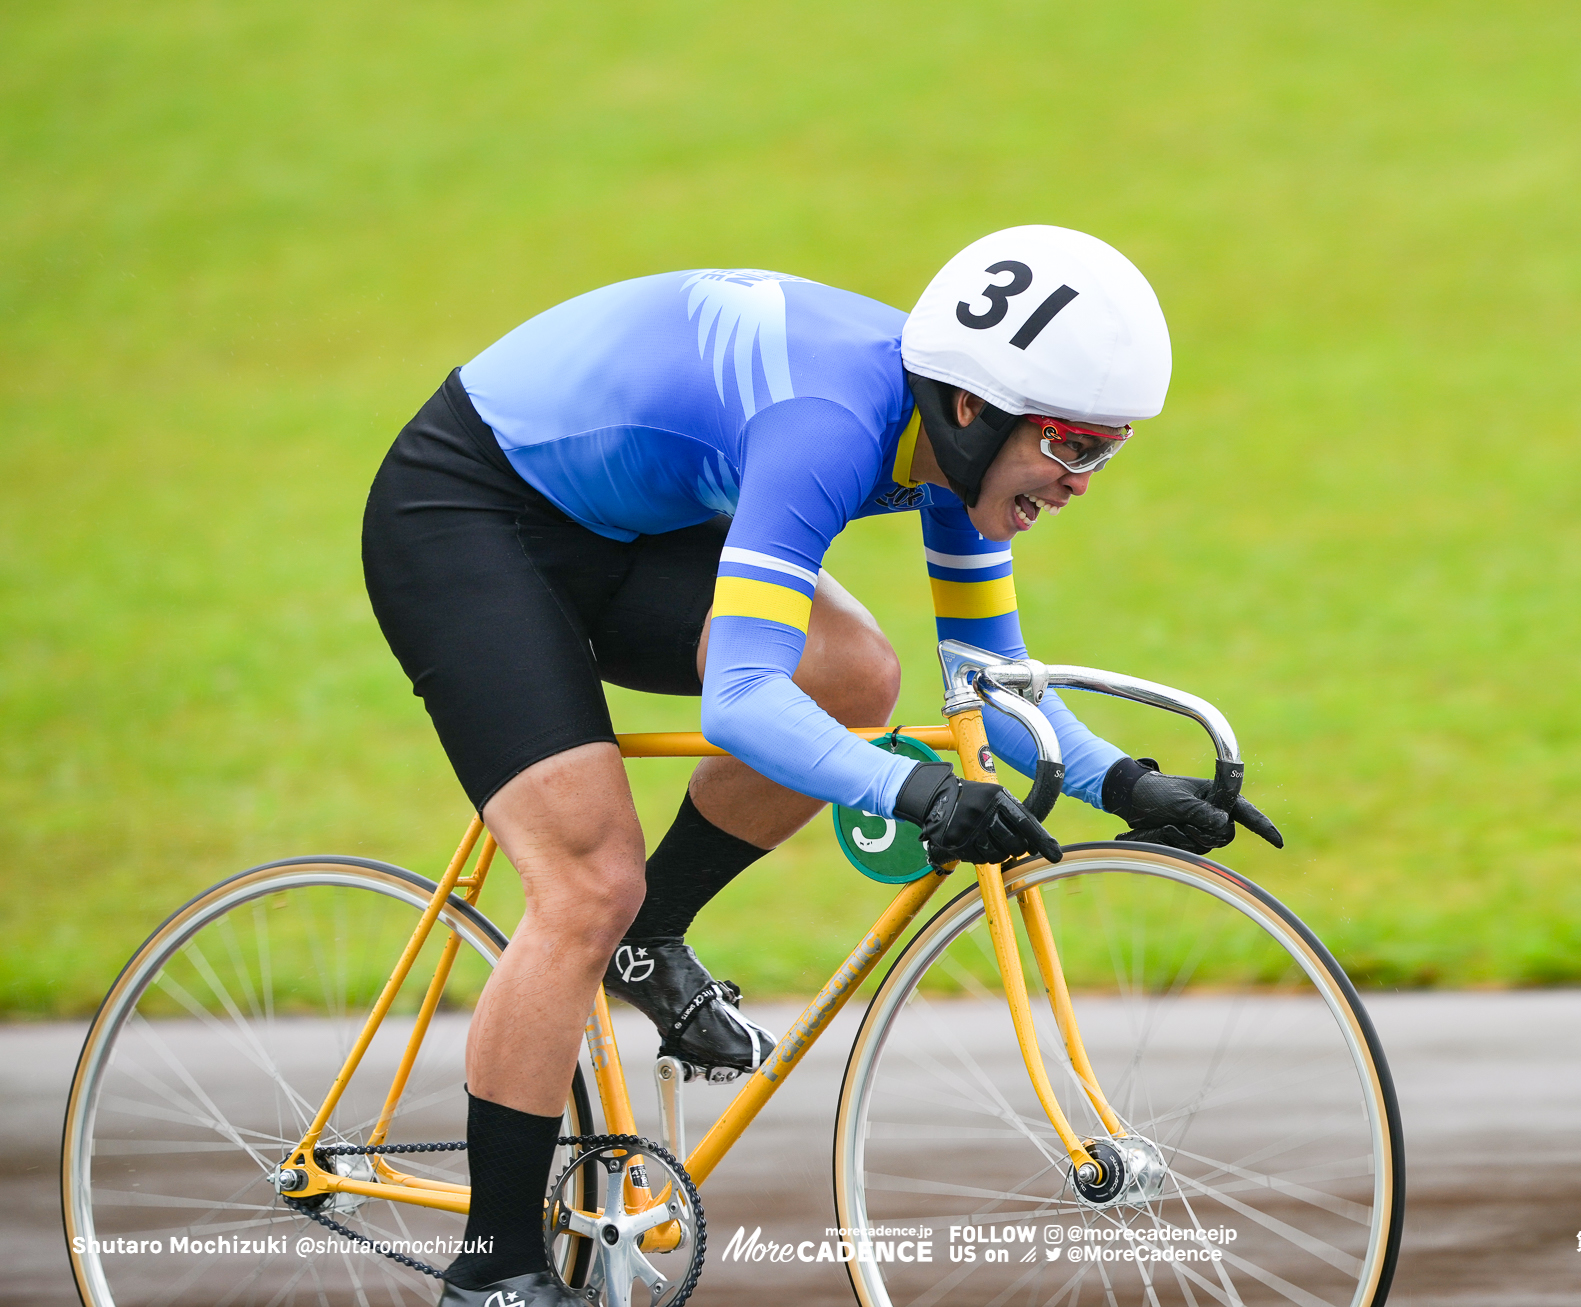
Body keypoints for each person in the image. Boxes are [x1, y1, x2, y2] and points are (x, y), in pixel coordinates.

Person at [361, 225, 1281, 1305]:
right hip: (467, 512)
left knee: (854, 674)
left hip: (619, 524)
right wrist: (914, 787)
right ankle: (496, 1269)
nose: (1082, 481)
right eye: (1073, 447)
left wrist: (1126, 781)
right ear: (974, 410)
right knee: (583, 881)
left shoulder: (957, 444)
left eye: (1105, 452)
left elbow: (991, 677)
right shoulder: (833, 423)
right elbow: (742, 699)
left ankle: (649, 938)